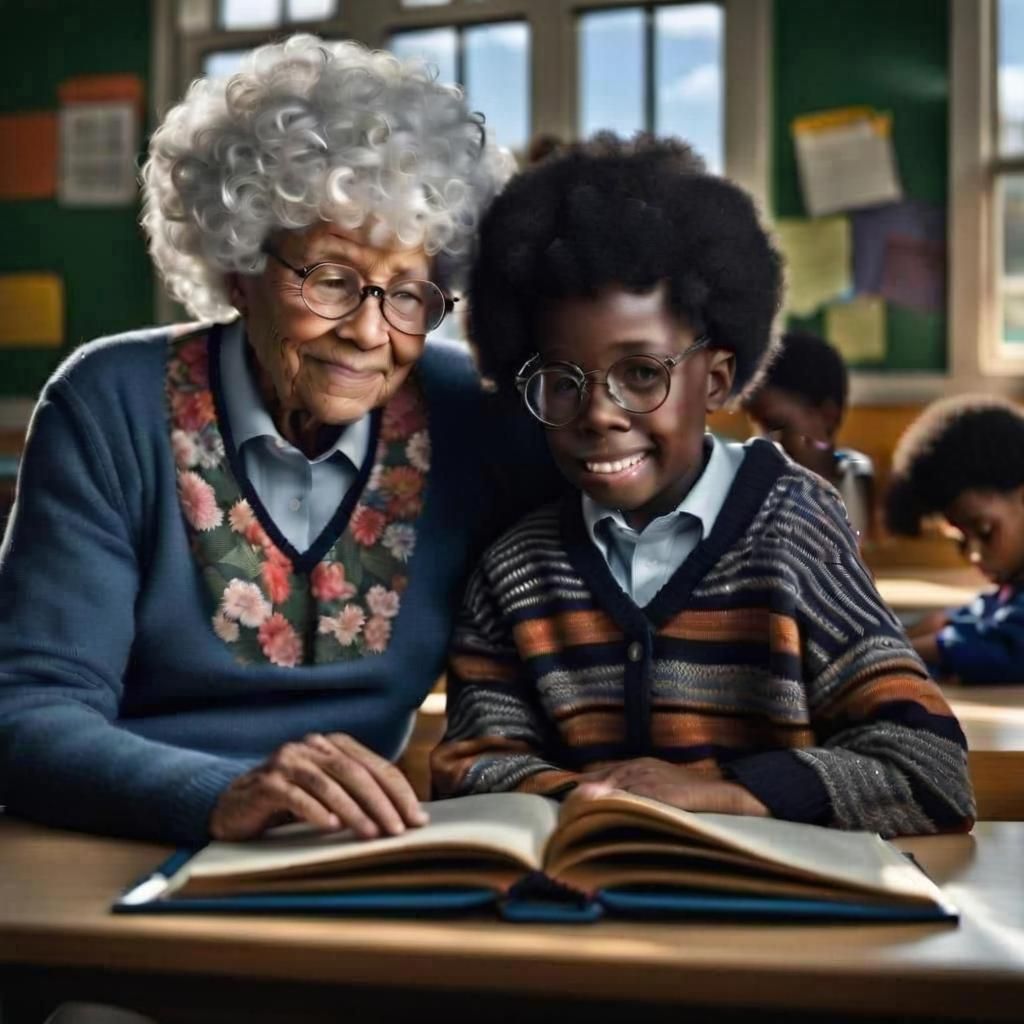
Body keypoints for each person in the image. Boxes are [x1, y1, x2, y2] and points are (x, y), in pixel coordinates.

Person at [0, 35, 558, 845]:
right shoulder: (107, 403)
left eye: (408, 292)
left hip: (342, 853)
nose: (370, 331)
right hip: (118, 845)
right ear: (238, 265)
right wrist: (219, 795)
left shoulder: (472, 414)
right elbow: (24, 710)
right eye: (332, 279)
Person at [431, 135, 974, 837]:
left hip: (770, 937)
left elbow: (928, 768)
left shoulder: (792, 531)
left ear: (715, 379)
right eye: (561, 383)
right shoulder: (515, 570)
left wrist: (724, 791)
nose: (598, 413)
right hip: (580, 922)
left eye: (641, 375)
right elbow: (471, 765)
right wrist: (605, 802)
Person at [885, 394, 1024, 684]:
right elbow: (989, 615)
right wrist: (944, 623)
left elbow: (1009, 648)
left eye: (986, 531)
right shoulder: (1011, 587)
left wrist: (901, 653)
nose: (974, 556)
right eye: (962, 542)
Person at [742, 331, 875, 543]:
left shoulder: (862, 489)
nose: (761, 445)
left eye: (777, 427)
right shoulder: (746, 505)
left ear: (826, 417)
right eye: (757, 429)